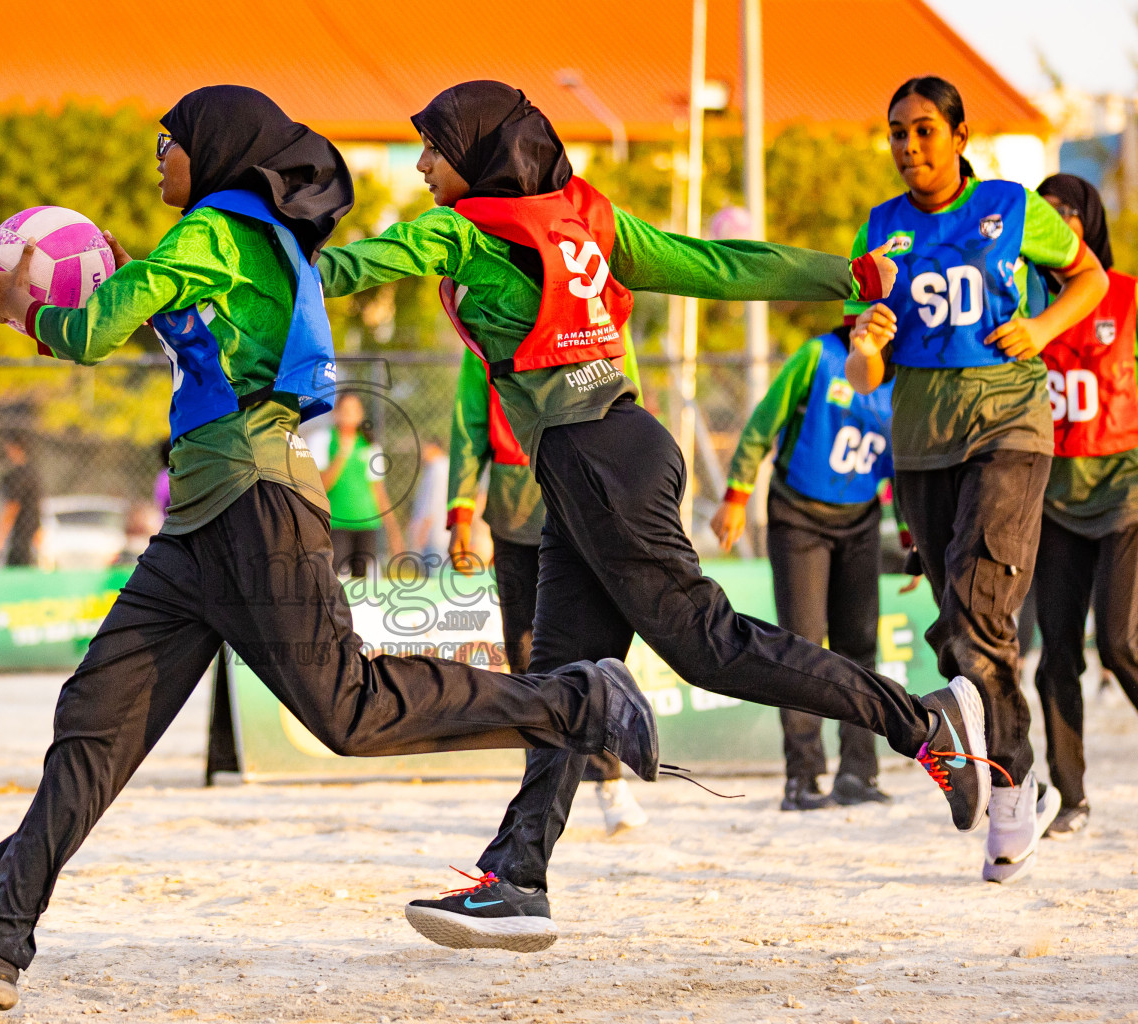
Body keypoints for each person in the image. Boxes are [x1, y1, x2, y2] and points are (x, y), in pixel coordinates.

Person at [0, 85, 653, 1011]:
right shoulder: (229, 241)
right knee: (94, 718)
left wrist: (26, 301)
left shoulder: (212, 232)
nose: (159, 153)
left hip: (256, 506)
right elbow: (198, 340)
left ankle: (576, 697)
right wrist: (123, 279)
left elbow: (86, 334)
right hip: (201, 523)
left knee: (348, 712)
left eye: (171, 140)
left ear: (216, 149)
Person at [317, 80, 987, 952]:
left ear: (478, 156)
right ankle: (517, 878)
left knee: (706, 647)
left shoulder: (459, 231)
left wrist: (246, 270)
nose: (420, 165)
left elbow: (344, 269)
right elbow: (715, 263)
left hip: (598, 460)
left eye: (434, 150)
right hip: (611, 453)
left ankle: (916, 719)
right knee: (565, 679)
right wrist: (843, 275)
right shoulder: (588, 218)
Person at [847, 77, 1108, 883]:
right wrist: (868, 339)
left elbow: (1089, 278)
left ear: (960, 135)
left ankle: (1008, 789)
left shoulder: (1009, 205)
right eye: (896, 133)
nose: (909, 146)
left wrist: (1042, 328)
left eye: (924, 130)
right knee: (962, 626)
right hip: (921, 441)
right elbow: (862, 375)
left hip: (1012, 425)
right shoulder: (881, 228)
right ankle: (1009, 771)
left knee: (979, 606)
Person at [448, 342, 645, 832]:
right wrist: (461, 514)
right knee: (527, 653)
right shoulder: (482, 335)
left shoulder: (601, 318)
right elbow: (468, 427)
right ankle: (538, 795)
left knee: (596, 648)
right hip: (516, 512)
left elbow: (629, 408)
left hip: (586, 502)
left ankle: (609, 780)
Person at [712, 328, 897, 811]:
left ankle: (858, 773)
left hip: (861, 520)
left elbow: (906, 465)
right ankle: (803, 777)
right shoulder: (819, 355)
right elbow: (761, 425)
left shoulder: (909, 375)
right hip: (798, 517)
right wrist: (736, 495)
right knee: (802, 646)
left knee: (861, 647)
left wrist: (916, 537)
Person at [1029, 173, 1138, 839]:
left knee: (1122, 642)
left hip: (1125, 489)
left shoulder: (1125, 298)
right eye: (1044, 214)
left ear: (1089, 222)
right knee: (1056, 654)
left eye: (1068, 212)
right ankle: (1071, 796)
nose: (1057, 222)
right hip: (1052, 497)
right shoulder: (1018, 303)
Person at [319, 392, 403, 575]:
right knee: (334, 580)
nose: (349, 414)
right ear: (336, 413)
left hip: (367, 524)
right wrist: (341, 455)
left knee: (363, 584)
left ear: (360, 414)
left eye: (354, 410)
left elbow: (378, 492)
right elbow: (321, 486)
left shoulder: (370, 446)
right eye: (345, 410)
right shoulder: (324, 441)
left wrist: (393, 532)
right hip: (337, 523)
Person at [0, 432, 41, 567]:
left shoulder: (18, 476)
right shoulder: (33, 473)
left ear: (14, 448)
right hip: (28, 534)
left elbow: (12, 506)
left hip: (21, 538)